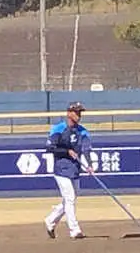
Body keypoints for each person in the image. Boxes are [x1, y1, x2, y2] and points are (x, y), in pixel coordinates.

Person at [44, 101, 92, 240]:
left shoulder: (82, 130)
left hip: (75, 169)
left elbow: (86, 149)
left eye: (80, 113)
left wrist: (89, 165)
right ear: (69, 113)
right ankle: (74, 230)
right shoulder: (58, 129)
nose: (79, 115)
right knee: (70, 198)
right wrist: (67, 151)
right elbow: (49, 147)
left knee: (70, 199)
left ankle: (50, 220)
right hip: (61, 169)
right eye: (76, 112)